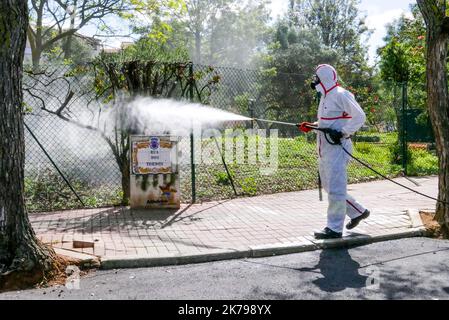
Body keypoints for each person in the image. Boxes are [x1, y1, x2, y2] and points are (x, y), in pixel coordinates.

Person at [299, 64, 370, 240]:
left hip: (338, 148)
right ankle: (358, 211)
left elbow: (359, 116)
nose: (314, 81)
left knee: (336, 189)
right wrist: (313, 126)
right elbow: (329, 123)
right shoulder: (325, 97)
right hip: (325, 149)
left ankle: (334, 228)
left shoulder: (340, 94)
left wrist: (344, 132)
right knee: (329, 186)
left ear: (324, 78)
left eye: (316, 78)